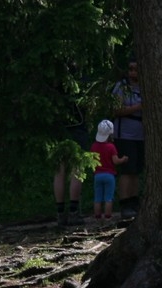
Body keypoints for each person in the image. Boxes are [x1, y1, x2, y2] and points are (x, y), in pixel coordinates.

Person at [110, 60, 144, 220]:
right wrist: (137, 108)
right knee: (127, 170)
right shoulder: (121, 87)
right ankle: (125, 204)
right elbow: (116, 110)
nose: (133, 73)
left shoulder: (145, 86)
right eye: (130, 69)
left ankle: (134, 201)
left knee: (136, 170)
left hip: (141, 135)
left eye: (136, 69)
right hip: (124, 135)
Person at [53, 97, 87, 227]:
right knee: (77, 169)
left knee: (59, 170)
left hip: (58, 125)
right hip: (77, 124)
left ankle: (60, 213)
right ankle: (73, 212)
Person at [89, 119, 127, 221]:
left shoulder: (94, 146)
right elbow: (115, 161)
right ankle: (107, 216)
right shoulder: (111, 147)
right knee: (108, 198)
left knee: (97, 198)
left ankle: (97, 216)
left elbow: (92, 160)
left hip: (97, 175)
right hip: (109, 175)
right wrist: (123, 159)